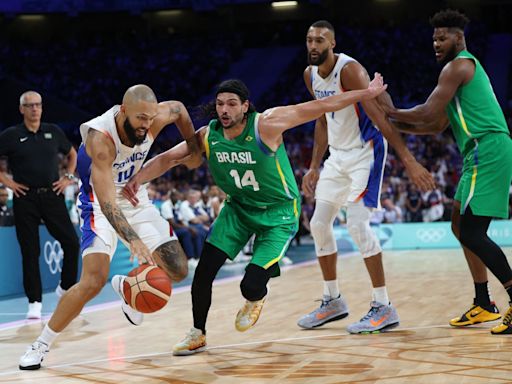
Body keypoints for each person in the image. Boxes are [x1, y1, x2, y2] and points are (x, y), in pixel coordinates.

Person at [122, 76, 388, 355]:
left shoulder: (267, 124)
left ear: (245, 107)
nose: (224, 110)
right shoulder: (207, 135)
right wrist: (137, 179)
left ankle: (257, 294)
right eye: (220, 104)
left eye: (232, 104)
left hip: (278, 213)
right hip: (238, 209)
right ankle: (197, 333)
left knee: (249, 285)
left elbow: (321, 104)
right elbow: (167, 158)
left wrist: (365, 93)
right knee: (203, 273)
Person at [19, 84, 202, 370]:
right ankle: (40, 344)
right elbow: (107, 203)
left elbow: (178, 109)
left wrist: (193, 149)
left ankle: (129, 288)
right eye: (141, 118)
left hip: (134, 196)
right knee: (93, 280)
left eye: (151, 118)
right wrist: (133, 240)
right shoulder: (100, 139)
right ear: (124, 110)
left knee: (177, 268)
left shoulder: (152, 116)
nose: (147, 124)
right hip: (99, 202)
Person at [297, 20, 435, 334]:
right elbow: (322, 118)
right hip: (337, 156)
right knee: (319, 224)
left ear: (332, 43)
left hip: (366, 152)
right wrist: (315, 165)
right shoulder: (309, 75)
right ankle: (332, 300)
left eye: (320, 40)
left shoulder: (349, 71)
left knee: (357, 224)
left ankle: (383, 306)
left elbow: (379, 118)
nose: (313, 46)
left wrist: (409, 161)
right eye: (309, 40)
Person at [386, 9, 512, 334]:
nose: (436, 43)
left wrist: (386, 110)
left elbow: (427, 110)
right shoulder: (457, 73)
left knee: (472, 232)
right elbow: (435, 123)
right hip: (478, 151)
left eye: (442, 37)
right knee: (459, 224)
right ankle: (484, 304)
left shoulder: (459, 66)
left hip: (488, 147)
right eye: (433, 39)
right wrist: (393, 122)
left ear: (459, 37)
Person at [0, 91, 79, 320]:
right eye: (30, 105)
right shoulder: (11, 135)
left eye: (38, 105)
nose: (35, 109)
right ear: (21, 109)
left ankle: (65, 288)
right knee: (30, 252)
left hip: (53, 194)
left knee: (72, 243)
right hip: (25, 197)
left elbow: (72, 154)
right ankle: (34, 302)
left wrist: (68, 178)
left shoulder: (53, 131)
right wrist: (7, 181)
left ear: (42, 108)